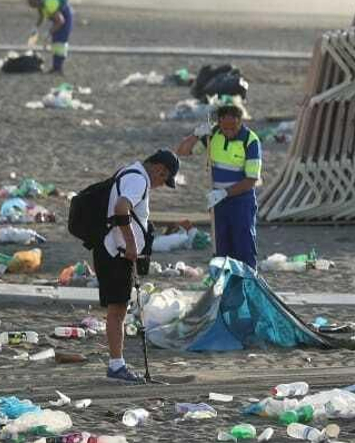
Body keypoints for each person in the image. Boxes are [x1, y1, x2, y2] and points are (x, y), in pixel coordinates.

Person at [92, 150, 179, 382]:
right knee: (118, 310)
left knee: (117, 309)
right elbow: (122, 207)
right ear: (160, 169)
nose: (160, 185)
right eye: (164, 179)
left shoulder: (129, 171)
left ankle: (116, 364)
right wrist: (131, 244)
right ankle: (116, 366)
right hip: (116, 253)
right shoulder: (139, 179)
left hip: (111, 250)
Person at [175, 104, 262, 268]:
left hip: (241, 201)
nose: (229, 131)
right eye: (225, 127)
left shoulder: (250, 141)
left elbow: (251, 180)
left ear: (240, 122)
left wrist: (224, 193)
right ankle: (223, 284)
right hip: (217, 202)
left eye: (233, 127)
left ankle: (248, 281)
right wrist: (195, 135)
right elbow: (182, 151)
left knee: (243, 246)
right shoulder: (212, 135)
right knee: (221, 247)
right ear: (219, 123)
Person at [26, 0, 72, 74]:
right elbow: (41, 17)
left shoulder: (49, 4)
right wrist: (35, 27)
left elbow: (61, 21)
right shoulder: (40, 6)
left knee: (60, 42)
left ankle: (59, 69)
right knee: (55, 42)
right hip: (57, 20)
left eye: (32, 5)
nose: (33, 7)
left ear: (36, 1)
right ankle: (55, 67)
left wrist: (48, 33)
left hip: (65, 19)